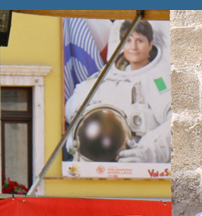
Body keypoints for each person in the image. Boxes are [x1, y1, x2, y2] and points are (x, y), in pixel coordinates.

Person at [64, 19, 171, 164]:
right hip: (96, 164)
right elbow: (72, 108)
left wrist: (149, 152)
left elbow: (174, 123)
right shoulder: (107, 77)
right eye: (128, 40)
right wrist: (77, 133)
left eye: (140, 41)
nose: (133, 47)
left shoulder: (157, 79)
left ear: (150, 45)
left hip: (136, 167)